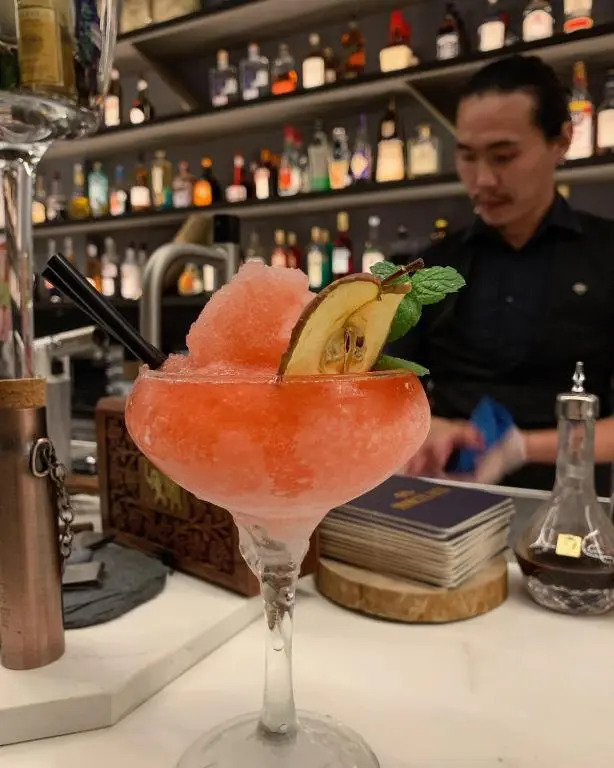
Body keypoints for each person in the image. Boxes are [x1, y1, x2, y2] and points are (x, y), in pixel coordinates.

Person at [391, 55, 614, 495]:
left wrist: (520, 447)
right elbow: (384, 390)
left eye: (504, 156)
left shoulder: (606, 254)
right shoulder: (434, 266)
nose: (482, 180)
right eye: (467, 156)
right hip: (441, 495)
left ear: (561, 141)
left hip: (568, 503)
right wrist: (425, 426)